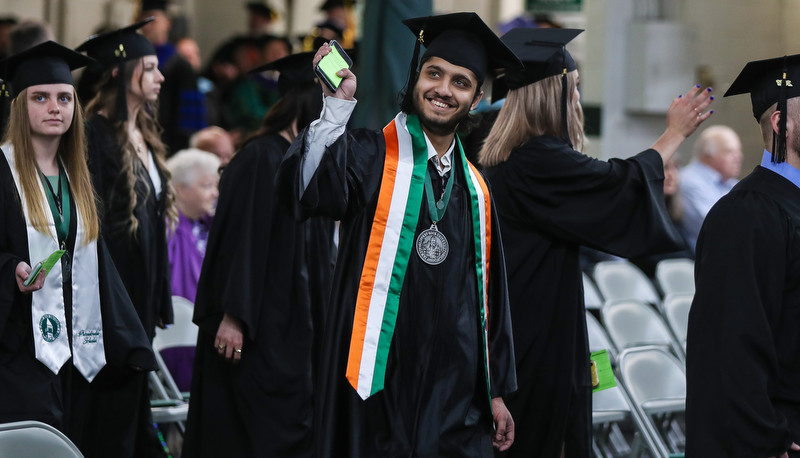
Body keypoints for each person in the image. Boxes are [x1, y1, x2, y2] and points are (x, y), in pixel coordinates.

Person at [277, 12, 519, 457]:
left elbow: (489, 299)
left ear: (477, 97)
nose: (443, 90)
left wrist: (496, 390)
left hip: (454, 392)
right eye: (434, 74)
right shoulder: (371, 155)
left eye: (460, 82)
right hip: (377, 384)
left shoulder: (476, 189)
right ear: (415, 78)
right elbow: (309, 189)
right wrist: (337, 108)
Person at [478, 28, 713, 457]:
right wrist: (674, 134)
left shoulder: (505, 154)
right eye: (575, 88)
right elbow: (614, 185)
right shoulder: (537, 157)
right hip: (535, 334)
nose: (577, 99)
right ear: (554, 93)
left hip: (526, 322)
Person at [0, 40, 155, 453]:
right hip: (18, 348)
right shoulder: (2, 170)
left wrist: (129, 340)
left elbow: (96, 264)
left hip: (76, 348)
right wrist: (10, 267)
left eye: (65, 97)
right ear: (19, 105)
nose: (55, 107)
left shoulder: (76, 176)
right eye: (41, 97)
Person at [182, 51, 335, 457]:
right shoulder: (260, 156)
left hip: (297, 324)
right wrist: (234, 314)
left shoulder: (308, 160)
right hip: (258, 325)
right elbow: (241, 241)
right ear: (309, 99)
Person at [685, 55, 800, 457]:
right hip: (776, 434)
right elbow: (729, 341)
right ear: (781, 123)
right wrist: (767, 435)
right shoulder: (748, 213)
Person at [76, 21, 175, 457]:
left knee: (135, 407)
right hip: (112, 291)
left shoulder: (145, 136)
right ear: (121, 72)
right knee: (112, 406)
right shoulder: (92, 134)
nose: (161, 77)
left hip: (143, 285)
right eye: (150, 68)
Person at [166, 148, 219, 303]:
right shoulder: (168, 229)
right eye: (207, 186)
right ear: (181, 189)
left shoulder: (208, 222)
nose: (215, 193)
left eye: (215, 186)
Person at [679, 124, 743, 251]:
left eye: (739, 151)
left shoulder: (733, 184)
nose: (738, 157)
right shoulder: (689, 182)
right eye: (729, 151)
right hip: (707, 262)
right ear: (708, 154)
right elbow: (716, 228)